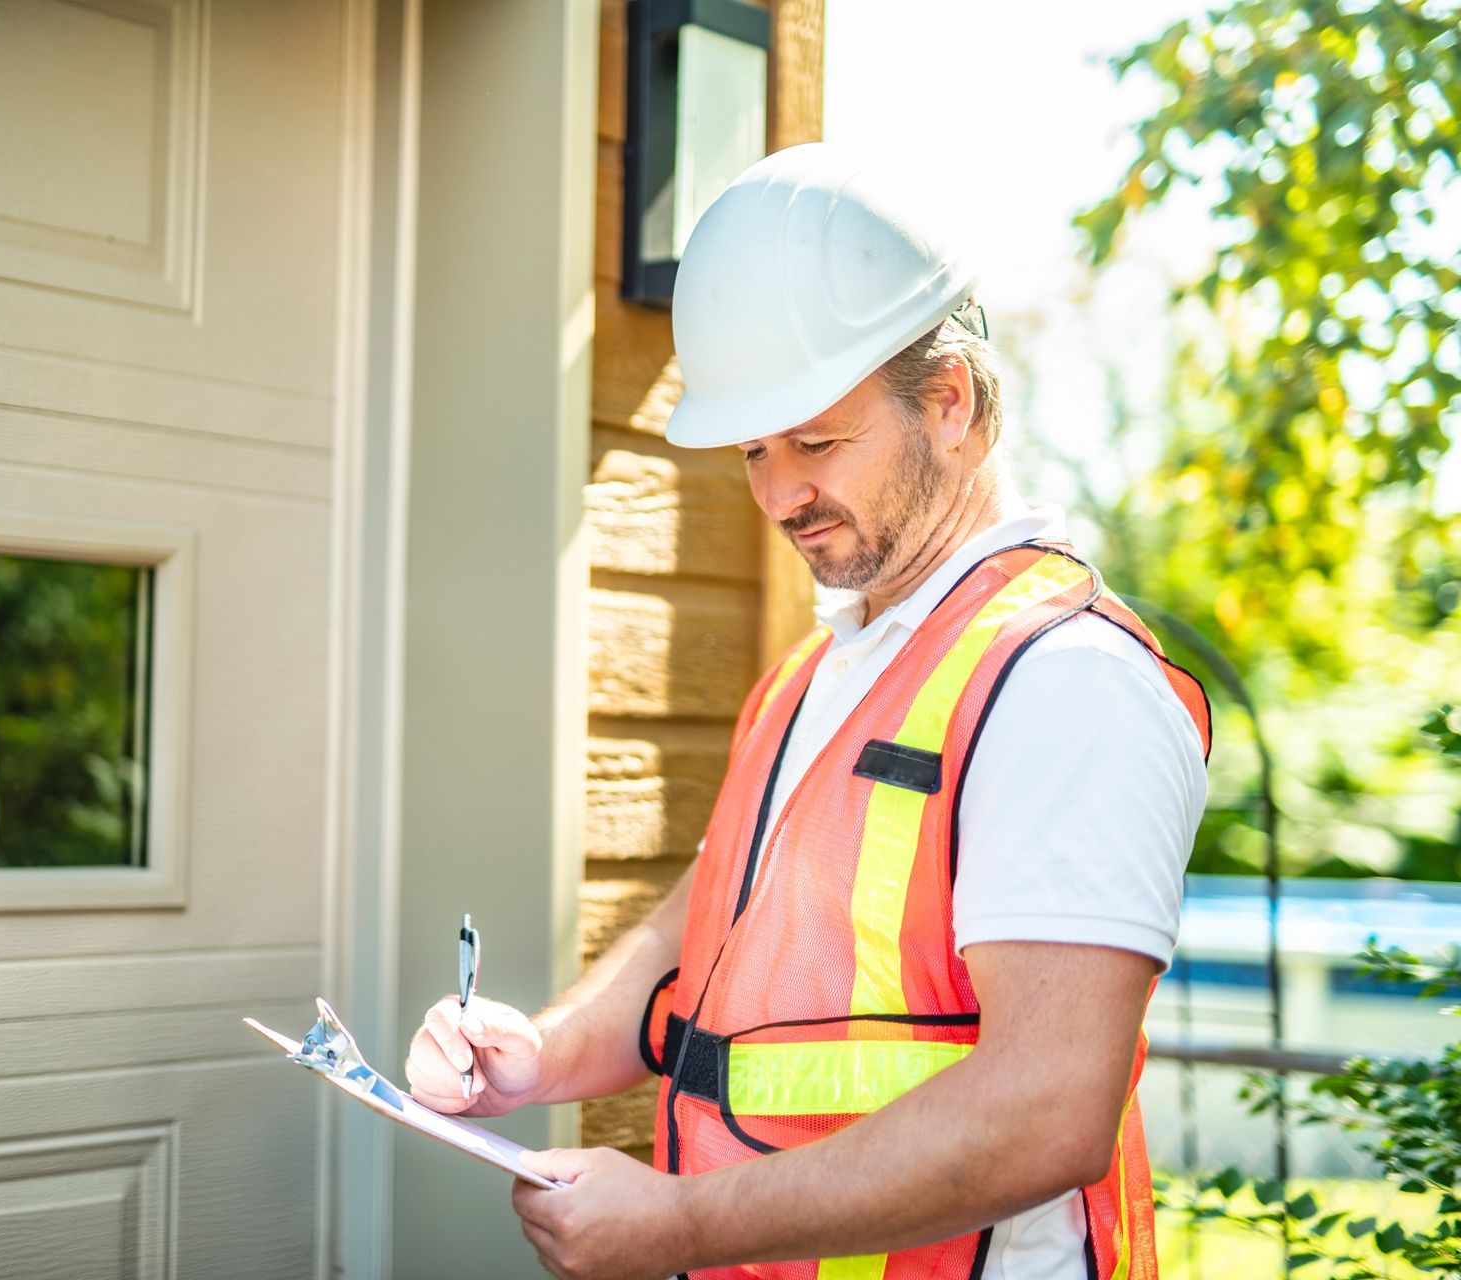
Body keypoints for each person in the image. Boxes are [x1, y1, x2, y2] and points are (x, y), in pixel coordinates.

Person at [404, 145, 1212, 1280]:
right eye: (753, 450)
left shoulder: (1066, 681)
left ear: (949, 401)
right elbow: (698, 933)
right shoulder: (816, 672)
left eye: (817, 441)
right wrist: (538, 1054)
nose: (780, 493)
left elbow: (1048, 1104)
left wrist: (682, 1222)